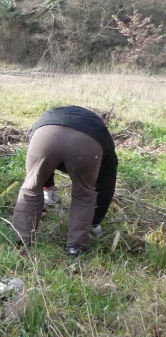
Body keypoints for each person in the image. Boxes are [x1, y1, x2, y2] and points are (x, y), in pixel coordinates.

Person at [11, 106, 117, 257]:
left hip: (45, 134)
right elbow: (106, 186)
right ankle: (76, 247)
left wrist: (46, 185)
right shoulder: (100, 132)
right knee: (84, 194)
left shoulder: (50, 115)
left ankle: (20, 239)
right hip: (87, 144)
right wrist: (94, 220)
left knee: (31, 187)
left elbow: (42, 166)